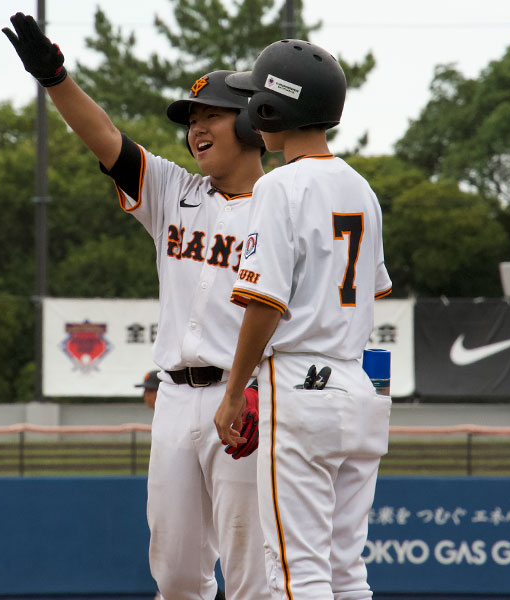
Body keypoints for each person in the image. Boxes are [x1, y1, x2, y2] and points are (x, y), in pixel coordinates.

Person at [2, 13, 268, 600]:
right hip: (175, 398)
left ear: (252, 123)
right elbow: (104, 138)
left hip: (247, 395)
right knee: (175, 574)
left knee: (254, 574)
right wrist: (56, 80)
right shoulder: (174, 191)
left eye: (212, 116)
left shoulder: (283, 204)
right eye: (192, 120)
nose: (196, 128)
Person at [213, 39, 393, 599]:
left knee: (298, 572)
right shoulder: (362, 190)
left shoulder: (279, 185)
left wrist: (234, 388)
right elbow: (374, 289)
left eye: (256, 100)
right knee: (348, 572)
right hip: (359, 387)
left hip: (300, 386)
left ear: (272, 111)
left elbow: (266, 302)